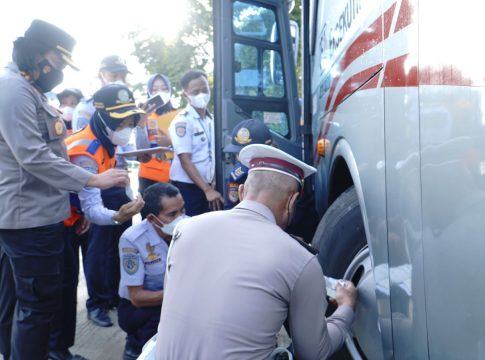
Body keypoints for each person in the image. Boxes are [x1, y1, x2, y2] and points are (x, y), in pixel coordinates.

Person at [0, 19, 129, 360]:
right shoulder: (14, 90)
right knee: (37, 306)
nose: (57, 71)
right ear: (37, 54)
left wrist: (73, 209)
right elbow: (32, 156)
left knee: (24, 304)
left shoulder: (28, 90)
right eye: (57, 62)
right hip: (29, 218)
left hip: (36, 212)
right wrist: (92, 180)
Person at [155, 144, 357, 360]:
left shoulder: (185, 229)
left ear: (242, 192)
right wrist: (346, 307)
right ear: (292, 201)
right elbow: (314, 352)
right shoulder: (300, 260)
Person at [66, 83, 146, 328]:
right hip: (59, 223)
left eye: (129, 122)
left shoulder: (103, 141)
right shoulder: (86, 151)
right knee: (65, 284)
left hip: (76, 214)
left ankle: (107, 298)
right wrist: (117, 216)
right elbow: (91, 207)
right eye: (119, 123)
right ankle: (95, 306)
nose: (125, 129)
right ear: (101, 118)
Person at [118, 183, 187, 360]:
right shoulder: (132, 239)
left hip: (173, 301)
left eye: (182, 210)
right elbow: (137, 297)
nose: (181, 217)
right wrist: (180, 293)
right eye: (172, 214)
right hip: (142, 310)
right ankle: (134, 351)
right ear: (151, 219)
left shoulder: (190, 228)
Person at [169, 69, 223, 216]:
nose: (201, 94)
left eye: (204, 89)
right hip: (188, 188)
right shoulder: (183, 121)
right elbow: (185, 160)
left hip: (207, 187)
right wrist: (207, 190)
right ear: (185, 94)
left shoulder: (212, 119)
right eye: (195, 92)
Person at [136, 74, 178, 196]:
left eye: (164, 88)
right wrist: (141, 122)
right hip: (149, 178)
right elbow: (141, 149)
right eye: (155, 89)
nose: (160, 92)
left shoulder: (179, 115)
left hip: (175, 176)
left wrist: (171, 142)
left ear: (170, 91)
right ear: (149, 92)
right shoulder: (143, 116)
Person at [222, 118, 273, 209]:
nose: (240, 158)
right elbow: (231, 207)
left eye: (246, 153)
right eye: (237, 153)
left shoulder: (283, 172)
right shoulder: (239, 174)